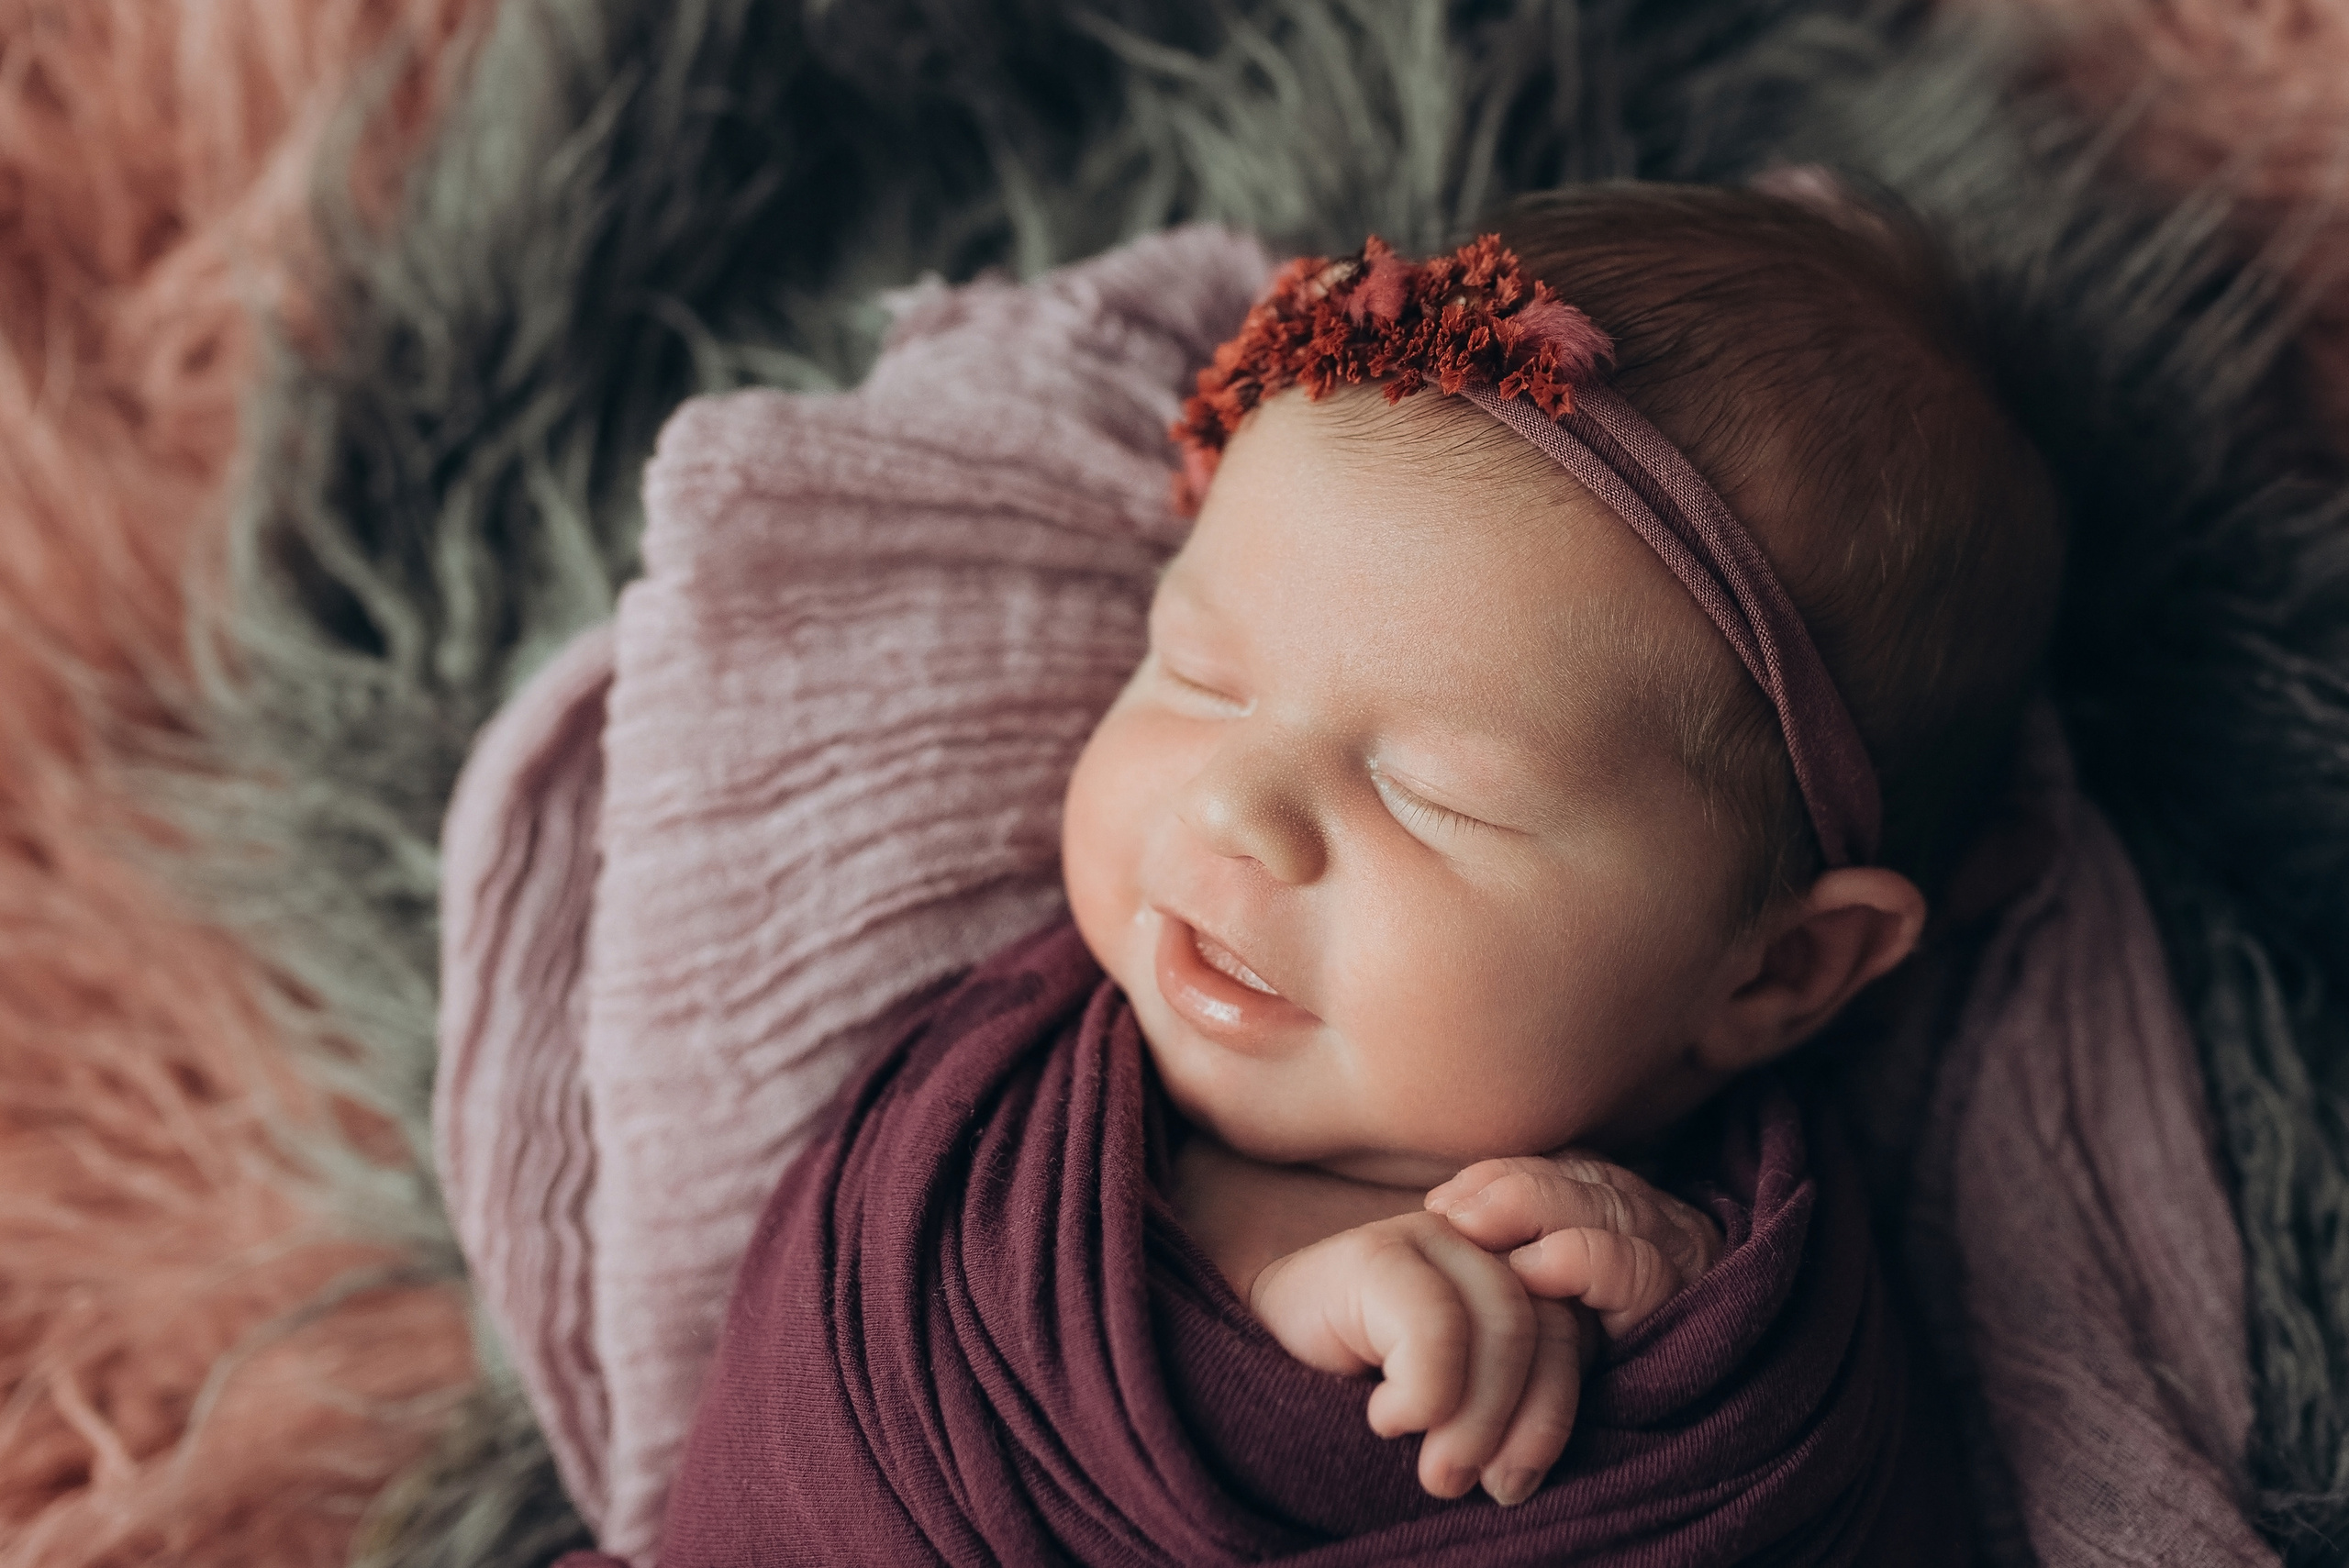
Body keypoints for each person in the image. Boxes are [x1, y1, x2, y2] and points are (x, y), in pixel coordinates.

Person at [608, 182, 2064, 1565]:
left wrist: (1685, 1355)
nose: (1234, 806)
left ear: (1775, 970)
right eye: (1197, 674)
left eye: (1428, 794)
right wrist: (1257, 1299)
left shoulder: (1767, 1312)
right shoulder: (978, 1163)